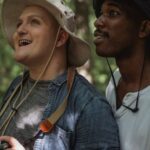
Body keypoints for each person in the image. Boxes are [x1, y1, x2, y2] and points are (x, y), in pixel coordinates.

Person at [0, 0, 120, 149]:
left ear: (60, 38)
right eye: (19, 24)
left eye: (34, 22)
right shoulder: (16, 87)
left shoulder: (90, 107)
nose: (20, 30)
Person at [93, 0, 150, 150]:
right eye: (100, 14)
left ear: (144, 28)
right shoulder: (115, 82)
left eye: (113, 13)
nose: (98, 22)